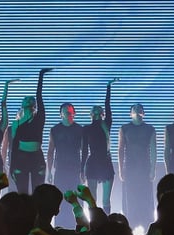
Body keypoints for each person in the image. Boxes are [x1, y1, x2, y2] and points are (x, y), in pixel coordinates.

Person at [3, 68, 52, 194]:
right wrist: (12, 167)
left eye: (31, 99)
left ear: (34, 104)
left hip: (37, 157)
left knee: (38, 191)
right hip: (21, 157)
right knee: (22, 192)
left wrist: (41, 75)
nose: (29, 100)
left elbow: (39, 95)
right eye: (26, 99)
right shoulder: (17, 123)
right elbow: (14, 146)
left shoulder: (39, 118)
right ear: (22, 104)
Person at [81, 79, 117, 214]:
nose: (96, 114)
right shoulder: (86, 129)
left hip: (106, 162)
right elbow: (84, 150)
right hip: (93, 163)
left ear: (102, 114)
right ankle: (93, 223)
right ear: (91, 114)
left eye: (99, 112)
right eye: (94, 112)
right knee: (92, 199)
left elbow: (108, 107)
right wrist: (82, 168)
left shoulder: (106, 125)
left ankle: (107, 222)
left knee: (106, 200)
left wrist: (108, 88)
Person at [119, 103, 156, 225]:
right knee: (130, 195)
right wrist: (120, 169)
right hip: (130, 167)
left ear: (143, 113)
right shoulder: (125, 128)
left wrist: (153, 169)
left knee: (145, 195)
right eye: (134, 109)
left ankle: (146, 223)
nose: (137, 110)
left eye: (139, 109)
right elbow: (121, 149)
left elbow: (153, 150)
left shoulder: (150, 129)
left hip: (144, 167)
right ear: (130, 114)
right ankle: (130, 223)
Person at [48, 102, 85, 199]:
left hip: (75, 169)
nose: (68, 113)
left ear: (74, 113)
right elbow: (50, 151)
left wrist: (83, 170)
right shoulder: (55, 130)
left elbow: (84, 151)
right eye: (65, 111)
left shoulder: (80, 130)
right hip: (60, 169)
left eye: (70, 111)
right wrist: (49, 171)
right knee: (60, 197)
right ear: (61, 114)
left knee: (77, 198)